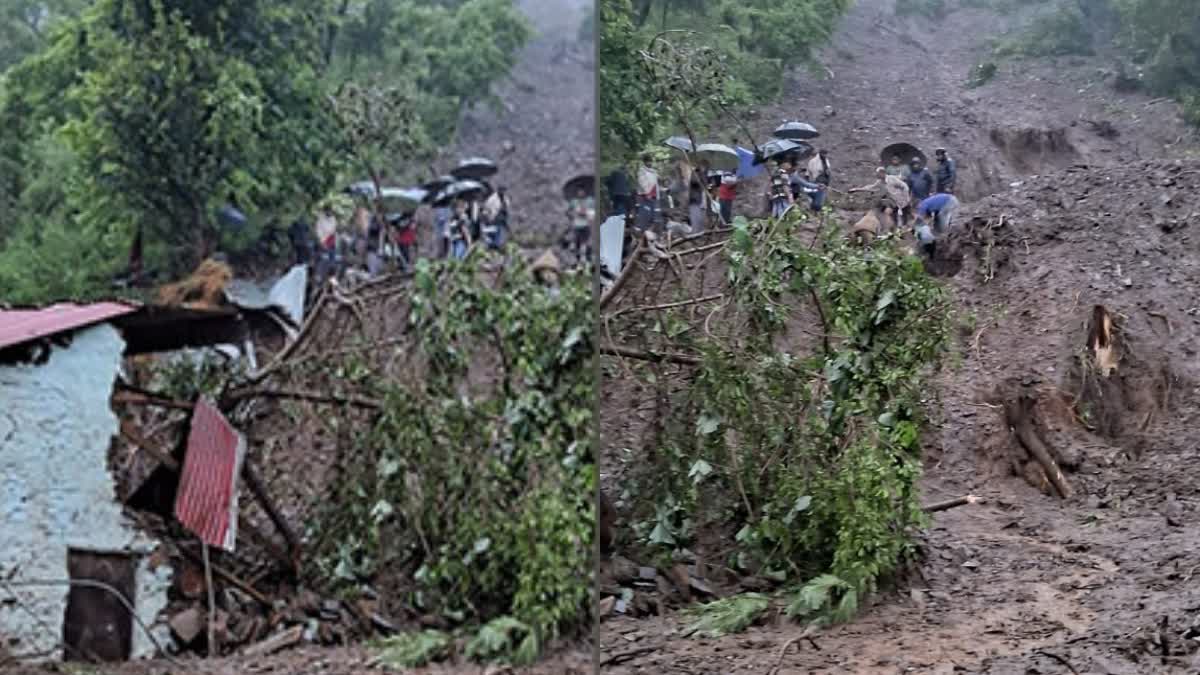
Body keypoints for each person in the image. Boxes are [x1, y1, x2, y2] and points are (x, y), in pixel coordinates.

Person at [849, 167, 911, 231]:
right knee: (893, 216)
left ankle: (907, 230)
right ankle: (896, 231)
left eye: (878, 173)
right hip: (894, 202)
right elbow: (870, 187)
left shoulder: (892, 179)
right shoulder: (880, 182)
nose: (877, 175)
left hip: (903, 201)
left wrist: (906, 198)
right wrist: (857, 189)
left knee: (905, 218)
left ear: (882, 173)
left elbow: (904, 186)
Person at [568, 187, 593, 259]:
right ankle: (575, 256)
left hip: (585, 224)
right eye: (579, 191)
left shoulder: (589, 201)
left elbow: (592, 214)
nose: (581, 193)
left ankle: (583, 257)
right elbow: (568, 212)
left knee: (584, 242)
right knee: (575, 241)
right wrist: (573, 214)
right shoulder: (574, 202)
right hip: (576, 224)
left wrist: (585, 213)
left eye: (582, 191)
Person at [636, 153, 659, 230]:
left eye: (651, 161)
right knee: (645, 213)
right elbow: (642, 182)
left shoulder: (654, 171)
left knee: (653, 214)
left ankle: (650, 229)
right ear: (645, 162)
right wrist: (647, 193)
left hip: (654, 195)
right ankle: (642, 229)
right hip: (645, 195)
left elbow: (656, 183)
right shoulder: (641, 171)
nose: (650, 163)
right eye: (648, 161)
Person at [687, 165, 707, 233]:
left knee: (701, 219)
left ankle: (700, 233)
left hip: (701, 200)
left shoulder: (703, 174)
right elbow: (694, 181)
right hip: (694, 200)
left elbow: (704, 185)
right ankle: (695, 234)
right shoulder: (695, 173)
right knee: (695, 219)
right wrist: (700, 176)